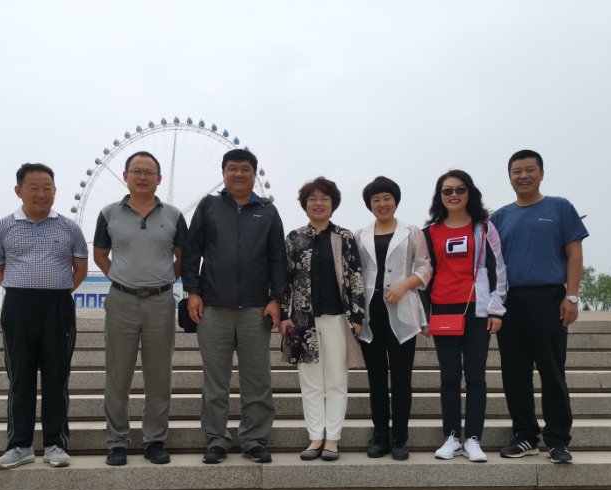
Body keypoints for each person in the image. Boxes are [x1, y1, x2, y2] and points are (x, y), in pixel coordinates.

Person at [182, 149, 289, 464]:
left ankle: (254, 440)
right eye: (232, 169)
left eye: (245, 169)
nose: (239, 174)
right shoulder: (208, 206)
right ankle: (216, 439)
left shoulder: (268, 211)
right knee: (215, 381)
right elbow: (192, 252)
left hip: (256, 310)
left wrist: (276, 299)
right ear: (223, 173)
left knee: (258, 380)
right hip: (213, 308)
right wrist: (192, 291)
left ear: (254, 175)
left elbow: (278, 260)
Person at [0, 163, 88, 469]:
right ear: (19, 191)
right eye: (34, 188)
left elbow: (80, 270)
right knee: (20, 377)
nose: (42, 194)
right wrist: (22, 289)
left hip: (58, 306)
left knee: (57, 377)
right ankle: (19, 445)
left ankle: (56, 444)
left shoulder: (70, 228)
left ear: (55, 191)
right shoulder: (3, 227)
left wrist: (55, 291)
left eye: (48, 188)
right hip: (19, 306)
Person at [490, 150, 589, 464]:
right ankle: (525, 436)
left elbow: (574, 253)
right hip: (510, 302)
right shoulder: (499, 217)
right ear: (509, 177)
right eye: (516, 171)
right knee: (514, 373)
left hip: (549, 298)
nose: (523, 176)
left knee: (552, 371)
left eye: (529, 169)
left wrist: (571, 296)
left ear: (541, 173)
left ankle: (558, 439)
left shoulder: (560, 207)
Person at [93, 151, 188, 467]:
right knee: (117, 374)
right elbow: (100, 254)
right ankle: (117, 442)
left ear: (159, 179)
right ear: (126, 176)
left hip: (161, 302)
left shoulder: (174, 216)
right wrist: (122, 278)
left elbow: (182, 257)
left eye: (149, 172)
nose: (143, 177)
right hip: (121, 301)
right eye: (137, 171)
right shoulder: (108, 214)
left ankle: (155, 440)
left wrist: (163, 280)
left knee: (159, 375)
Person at [422, 170, 507, 463]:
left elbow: (499, 269)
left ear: (470, 192)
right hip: (443, 309)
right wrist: (423, 315)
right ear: (440, 196)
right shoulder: (429, 232)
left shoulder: (484, 227)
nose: (454, 195)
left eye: (460, 189)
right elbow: (424, 274)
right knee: (449, 376)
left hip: (477, 309)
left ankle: (472, 439)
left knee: (475, 377)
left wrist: (496, 309)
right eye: (447, 191)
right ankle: (451, 438)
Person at [280, 177, 365, 461]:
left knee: (337, 380)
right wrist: (284, 316)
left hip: (338, 318)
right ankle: (315, 437)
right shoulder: (294, 238)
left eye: (324, 199)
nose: (318, 203)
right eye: (313, 199)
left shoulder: (344, 237)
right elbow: (284, 280)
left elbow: (355, 277)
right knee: (311, 382)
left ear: (333, 204)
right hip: (303, 322)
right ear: (305, 205)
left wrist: (357, 315)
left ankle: (333, 439)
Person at [355, 176, 432, 460]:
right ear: (370, 204)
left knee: (401, 378)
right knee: (376, 379)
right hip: (371, 313)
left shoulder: (412, 232)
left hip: (402, 311)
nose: (382, 203)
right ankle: (380, 437)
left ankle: (400, 438)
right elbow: (355, 274)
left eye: (387, 198)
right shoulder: (360, 235)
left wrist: (404, 285)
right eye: (376, 199)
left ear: (395, 201)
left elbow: (424, 268)